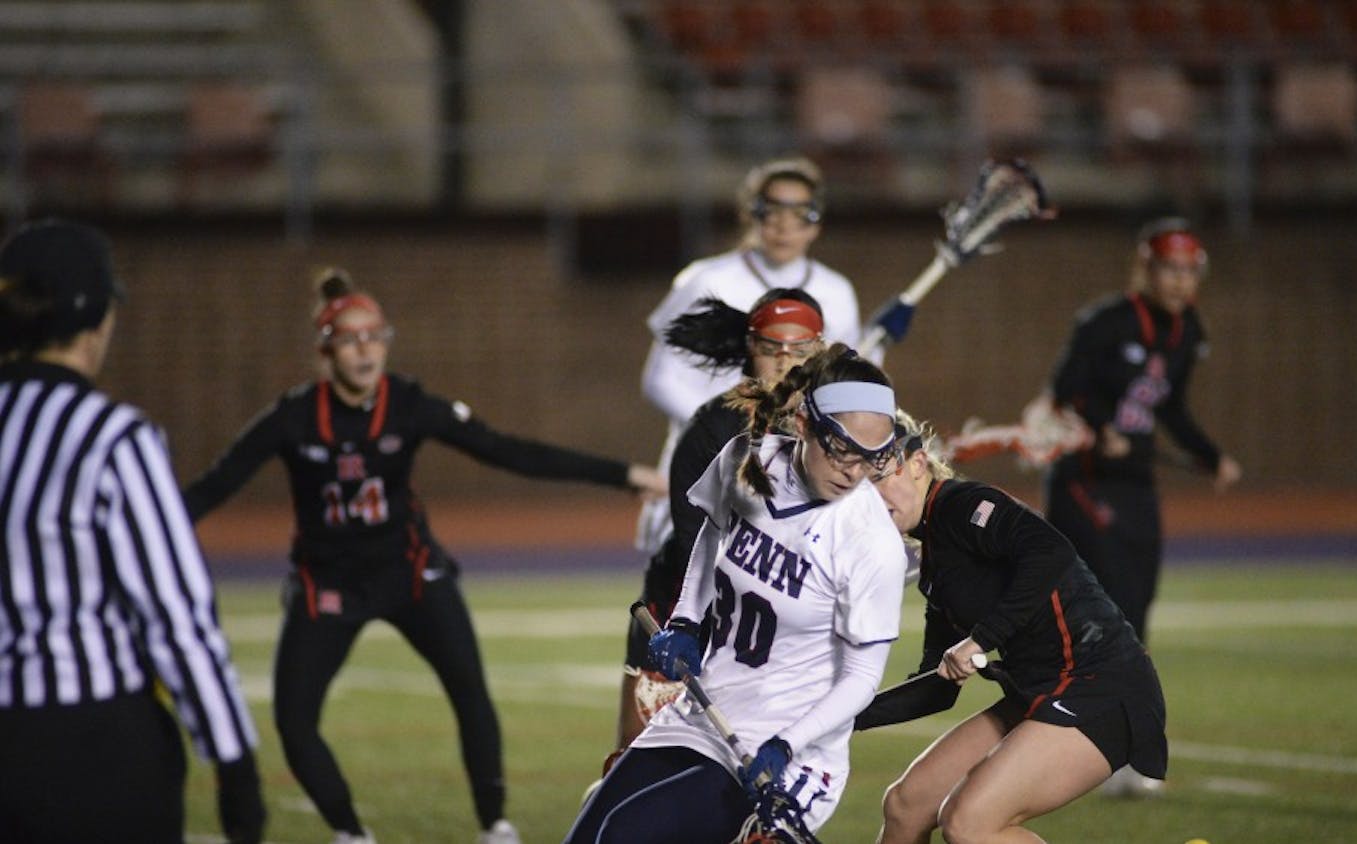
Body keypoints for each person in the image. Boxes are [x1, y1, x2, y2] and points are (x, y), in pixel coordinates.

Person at [181, 268, 666, 844]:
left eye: (374, 336)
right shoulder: (294, 417)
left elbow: (506, 450)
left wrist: (622, 475)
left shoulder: (407, 404)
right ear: (325, 351)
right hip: (327, 585)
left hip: (408, 573)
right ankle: (350, 832)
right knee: (293, 719)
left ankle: (495, 825)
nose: (365, 349)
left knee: (468, 688)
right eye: (350, 338)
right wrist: (138, 527)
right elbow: (216, 485)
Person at [567, 345, 910, 842]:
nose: (853, 472)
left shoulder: (869, 540)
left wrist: (786, 745)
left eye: (869, 457)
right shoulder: (749, 460)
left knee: (623, 836)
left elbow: (861, 679)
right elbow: (713, 534)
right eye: (841, 449)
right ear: (805, 424)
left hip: (787, 751)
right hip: (707, 710)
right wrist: (686, 619)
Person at [0, 219, 266, 844]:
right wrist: (234, 763)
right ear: (96, 319)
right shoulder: (111, 436)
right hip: (91, 743)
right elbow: (177, 614)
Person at [856, 413, 1168, 844]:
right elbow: (937, 687)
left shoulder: (961, 505)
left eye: (878, 477)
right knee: (906, 805)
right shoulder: (935, 562)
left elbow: (1050, 551)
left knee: (968, 824)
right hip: (1041, 689)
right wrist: (842, 718)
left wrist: (982, 638)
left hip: (1102, 685)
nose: (871, 498)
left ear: (917, 464)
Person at [1041, 216, 1239, 795]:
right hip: (1085, 480)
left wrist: (1208, 455)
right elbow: (1064, 389)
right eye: (1168, 269)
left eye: (1188, 271)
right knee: (1103, 610)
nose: (1179, 282)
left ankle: (1123, 749)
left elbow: (1170, 407)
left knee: (1139, 605)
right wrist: (1100, 426)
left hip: (1132, 483)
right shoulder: (1106, 323)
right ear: (1145, 269)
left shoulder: (1186, 331)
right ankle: (1081, 745)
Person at [605, 287, 828, 770]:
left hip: (778, 620)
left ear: (821, 350)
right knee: (635, 761)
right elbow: (694, 542)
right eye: (773, 348)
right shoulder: (714, 428)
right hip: (687, 605)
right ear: (752, 350)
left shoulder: (835, 431)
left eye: (801, 349)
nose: (786, 361)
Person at [636, 156, 873, 562]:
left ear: (816, 222)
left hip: (791, 463)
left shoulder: (837, 291)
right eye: (772, 210)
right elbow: (659, 378)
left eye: (799, 213)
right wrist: (726, 427)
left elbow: (841, 383)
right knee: (683, 579)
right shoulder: (706, 280)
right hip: (706, 456)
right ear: (752, 213)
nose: (784, 226)